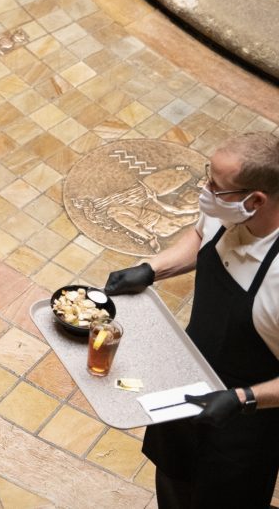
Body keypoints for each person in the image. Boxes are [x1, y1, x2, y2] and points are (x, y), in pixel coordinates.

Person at [105, 132, 279, 508]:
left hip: (245, 424)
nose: (205, 189)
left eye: (216, 185)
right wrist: (152, 269)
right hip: (183, 383)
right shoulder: (225, 207)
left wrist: (243, 399)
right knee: (172, 478)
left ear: (256, 200)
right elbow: (202, 235)